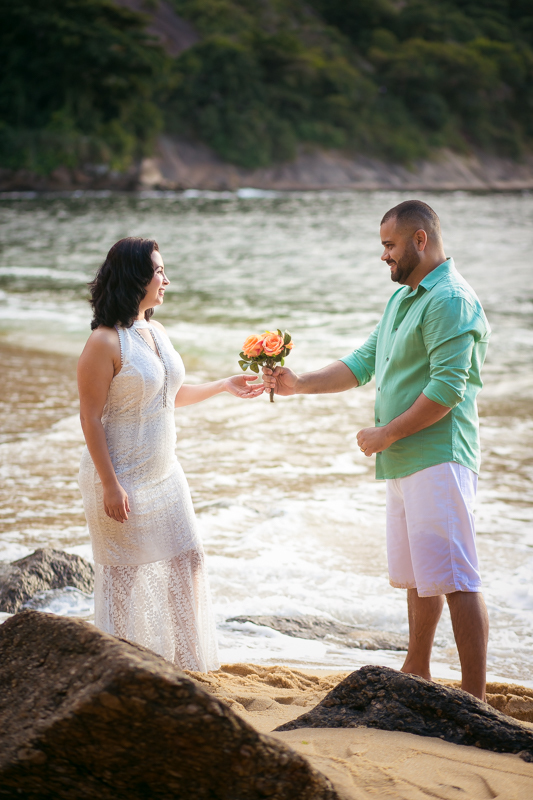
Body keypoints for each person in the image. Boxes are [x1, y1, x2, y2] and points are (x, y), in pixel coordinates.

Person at [262, 200, 490, 700]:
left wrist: (386, 433)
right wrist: (298, 384)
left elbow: (448, 389)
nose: (383, 255)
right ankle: (418, 668)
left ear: (420, 240)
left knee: (457, 578)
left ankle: (476, 701)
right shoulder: (404, 298)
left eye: (390, 245)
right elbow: (364, 362)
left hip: (440, 455)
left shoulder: (450, 299)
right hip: (405, 459)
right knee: (421, 575)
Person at [78, 237, 263, 671]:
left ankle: (187, 666)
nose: (166, 280)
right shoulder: (104, 342)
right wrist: (110, 484)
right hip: (119, 475)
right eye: (159, 271)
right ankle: (118, 668)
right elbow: (90, 418)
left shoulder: (156, 330)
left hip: (165, 473)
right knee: (124, 578)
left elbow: (168, 396)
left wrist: (223, 385)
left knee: (188, 561)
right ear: (136, 277)